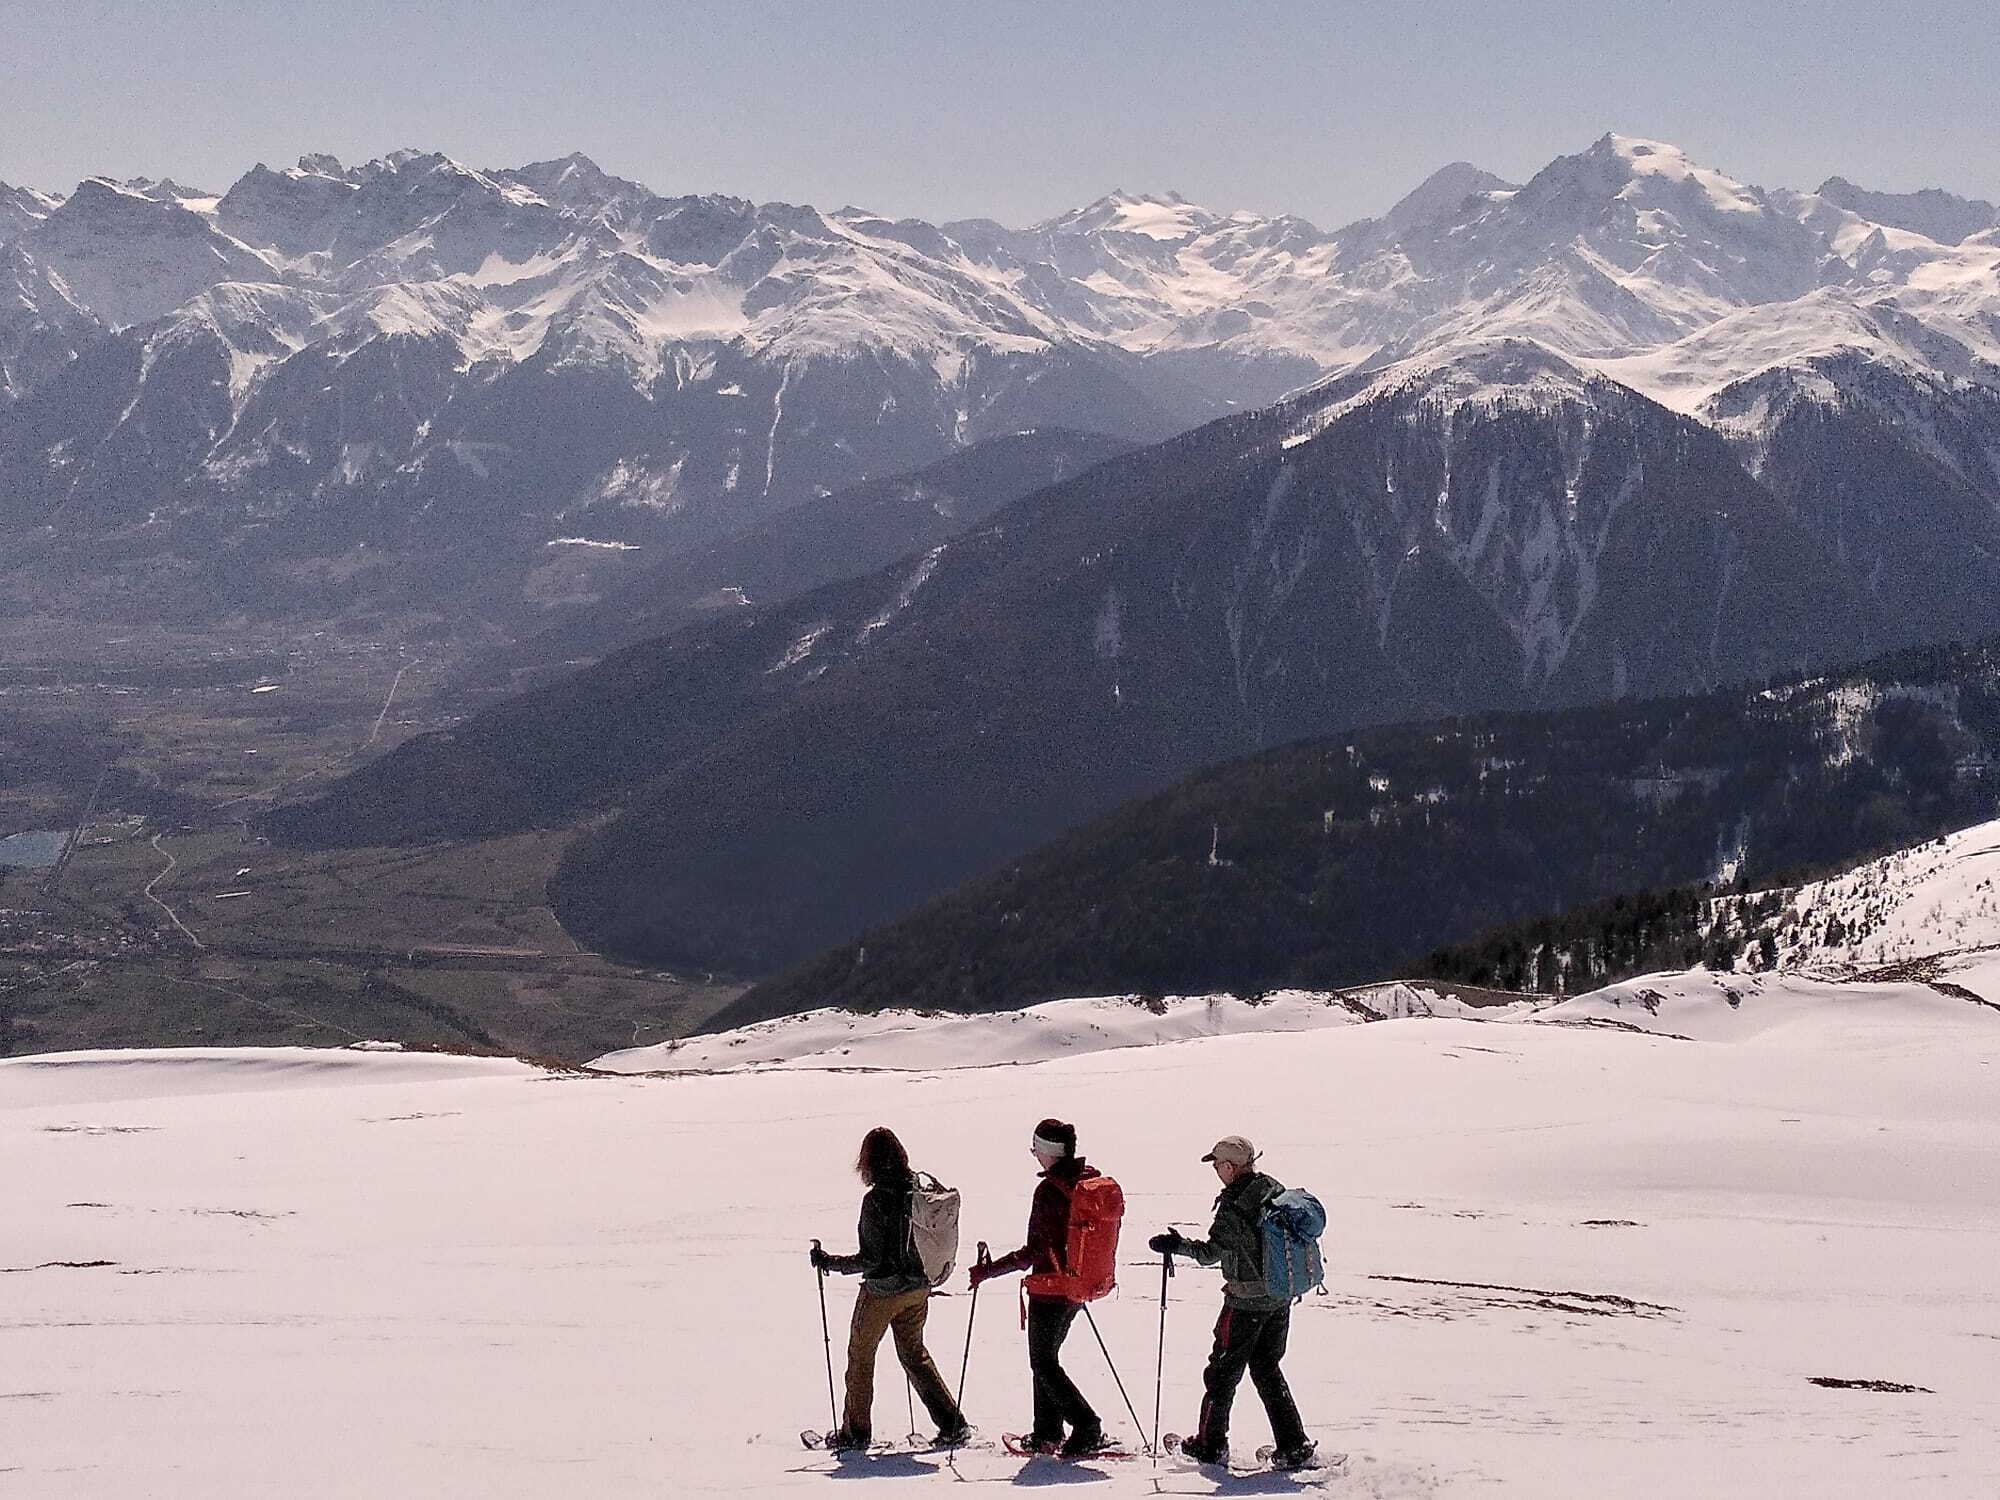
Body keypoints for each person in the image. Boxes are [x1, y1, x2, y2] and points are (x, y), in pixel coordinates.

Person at [1148, 1134, 1316, 1470]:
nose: (1216, 1171)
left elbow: (1211, 1253)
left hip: (1245, 1304)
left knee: (1222, 1373)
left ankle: (1210, 1446)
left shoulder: (1234, 1207)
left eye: (1217, 1165)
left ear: (1229, 1166)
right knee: (1267, 1369)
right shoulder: (1273, 1187)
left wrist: (1177, 1245)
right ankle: (1293, 1445)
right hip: (1279, 1297)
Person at [810, 1126, 971, 1453]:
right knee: (914, 1354)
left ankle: (855, 1432)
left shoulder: (876, 1200)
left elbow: (871, 1259)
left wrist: (830, 1262)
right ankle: (952, 1424)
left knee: (860, 1356)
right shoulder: (916, 1190)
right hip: (918, 1289)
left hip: (883, 1293)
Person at [967, 1118, 1111, 1457]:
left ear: (1048, 1152)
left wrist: (989, 1271)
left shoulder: (1049, 1191)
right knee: (1046, 1360)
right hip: (1079, 1283)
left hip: (1051, 1288)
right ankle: (1046, 1432)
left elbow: (1034, 1251)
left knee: (1042, 1363)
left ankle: (1086, 1425)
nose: (1035, 1156)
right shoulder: (1087, 1178)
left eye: (1036, 1150)